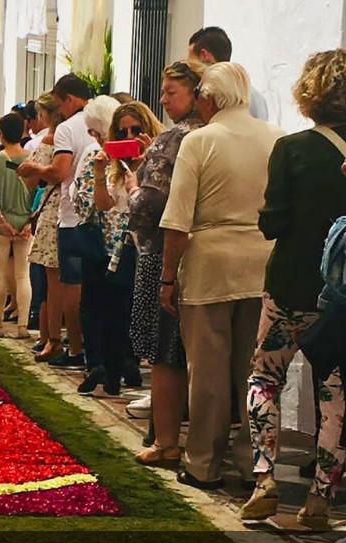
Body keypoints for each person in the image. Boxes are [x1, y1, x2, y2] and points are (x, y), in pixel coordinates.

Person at [159, 62, 284, 490]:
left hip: (211, 264)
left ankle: (203, 462)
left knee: (208, 372)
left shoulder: (200, 141)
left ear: (208, 97)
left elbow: (177, 219)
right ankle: (255, 462)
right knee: (255, 372)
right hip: (263, 263)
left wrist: (167, 278)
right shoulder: (277, 137)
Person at [240, 49, 346, 524]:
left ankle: (265, 475)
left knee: (266, 376)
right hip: (344, 294)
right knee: (336, 392)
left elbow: (272, 222)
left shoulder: (292, 149)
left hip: (290, 283)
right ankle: (321, 498)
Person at [125, 61, 207, 463]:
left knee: (164, 350)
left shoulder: (177, 138)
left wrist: (131, 190)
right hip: (210, 254)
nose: (162, 99)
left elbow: (150, 201)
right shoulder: (218, 135)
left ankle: (166, 440)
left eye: (171, 92)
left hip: (165, 252)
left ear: (196, 93)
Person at [17, 74, 95, 369]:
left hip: (71, 214)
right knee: (90, 286)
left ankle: (72, 346)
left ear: (69, 99)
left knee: (65, 283)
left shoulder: (66, 129)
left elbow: (60, 172)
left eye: (60, 103)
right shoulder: (105, 116)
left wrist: (33, 167)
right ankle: (87, 346)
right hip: (100, 213)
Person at [70, 95, 140, 395]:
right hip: (110, 246)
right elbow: (98, 203)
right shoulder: (100, 158)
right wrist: (101, 173)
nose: (127, 139)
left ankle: (122, 362)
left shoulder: (155, 160)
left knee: (121, 309)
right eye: (120, 133)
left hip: (140, 245)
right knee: (110, 309)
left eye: (135, 131)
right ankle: (110, 368)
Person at [0, 113, 33, 338]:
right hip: (26, 221)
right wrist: (30, 221)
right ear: (22, 131)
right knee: (23, 275)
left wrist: (1, 220)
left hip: (1, 223)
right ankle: (22, 325)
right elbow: (38, 192)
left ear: (1, 133)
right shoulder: (32, 158)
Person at [24, 94, 66, 360]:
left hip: (54, 211)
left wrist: (31, 168)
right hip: (70, 210)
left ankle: (50, 337)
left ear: (45, 116)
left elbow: (31, 182)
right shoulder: (76, 137)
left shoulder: (48, 142)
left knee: (51, 279)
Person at [187, 26, 269, 121]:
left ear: (204, 55)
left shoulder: (215, 95)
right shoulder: (257, 97)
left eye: (191, 59)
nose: (189, 66)